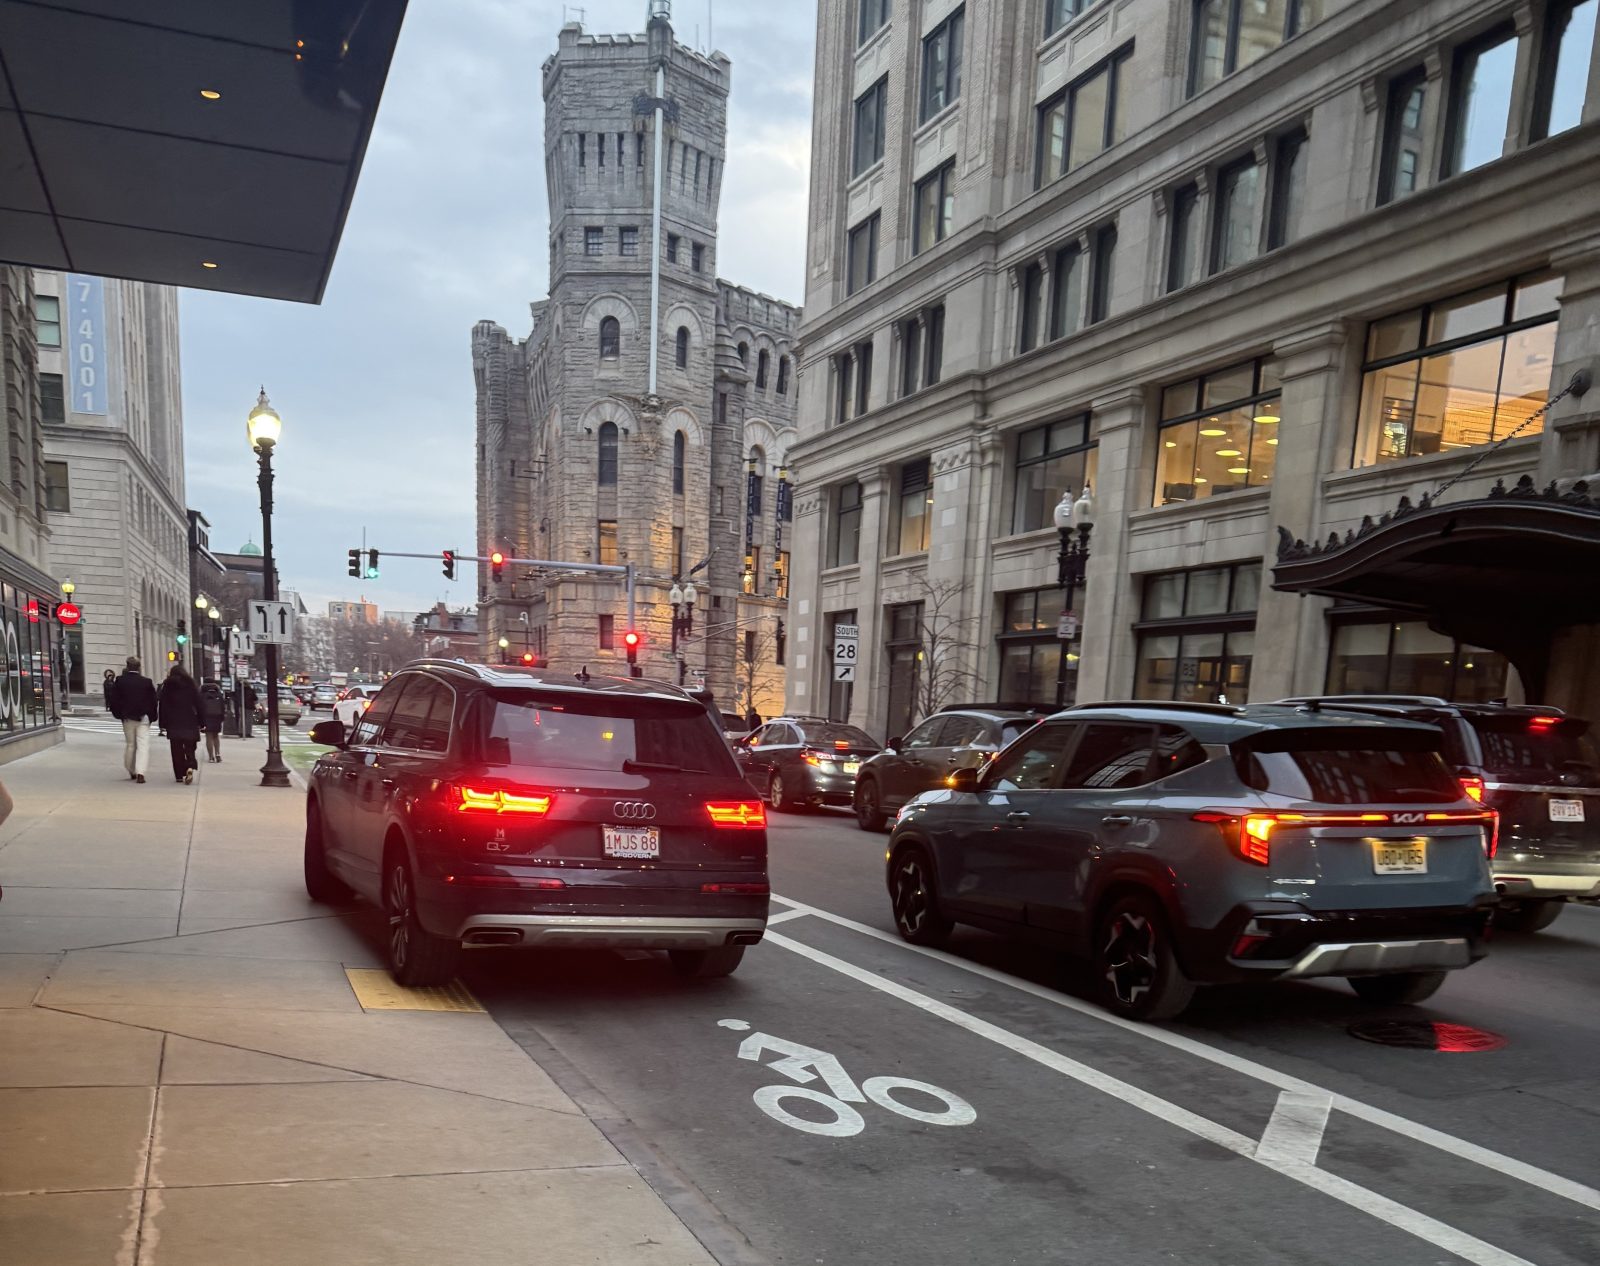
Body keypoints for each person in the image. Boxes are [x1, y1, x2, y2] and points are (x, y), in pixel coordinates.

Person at [109, 656, 157, 783]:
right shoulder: (146, 682)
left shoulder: (120, 681)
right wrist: (152, 716)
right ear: (139, 667)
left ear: (127, 666)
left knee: (130, 744)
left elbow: (114, 700)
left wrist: (119, 714)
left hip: (127, 717)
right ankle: (141, 772)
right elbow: (153, 701)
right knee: (143, 745)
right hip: (144, 717)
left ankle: (131, 769)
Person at [157, 664, 203, 784]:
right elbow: (199, 704)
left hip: (173, 721)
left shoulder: (167, 685)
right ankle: (189, 766)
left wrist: (162, 723)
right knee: (190, 747)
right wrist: (202, 721)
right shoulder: (191, 684)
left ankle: (178, 774)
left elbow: (163, 705)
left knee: (176, 749)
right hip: (190, 720)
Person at [199, 679, 225, 763]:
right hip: (217, 716)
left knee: (208, 737)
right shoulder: (218, 694)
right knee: (216, 736)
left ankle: (211, 757)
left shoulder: (202, 694)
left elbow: (199, 707)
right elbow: (223, 707)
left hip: (206, 717)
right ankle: (218, 754)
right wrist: (222, 718)